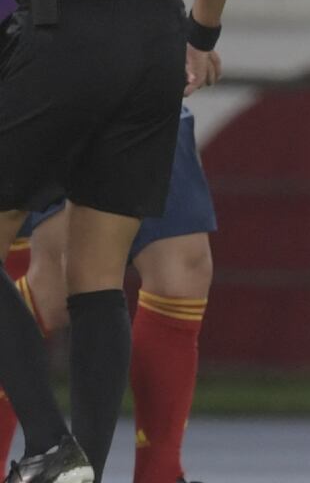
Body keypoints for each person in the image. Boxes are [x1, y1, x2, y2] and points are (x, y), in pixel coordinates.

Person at [0, 0, 241, 480]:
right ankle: (86, 468)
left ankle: (47, 445)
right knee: (97, 277)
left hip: (61, 26)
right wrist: (200, 33)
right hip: (154, 41)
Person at [0, 105, 216, 483]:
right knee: (57, 285)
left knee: (184, 268)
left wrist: (199, 43)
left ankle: (160, 474)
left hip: (150, 79)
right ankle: (46, 456)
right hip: (61, 79)